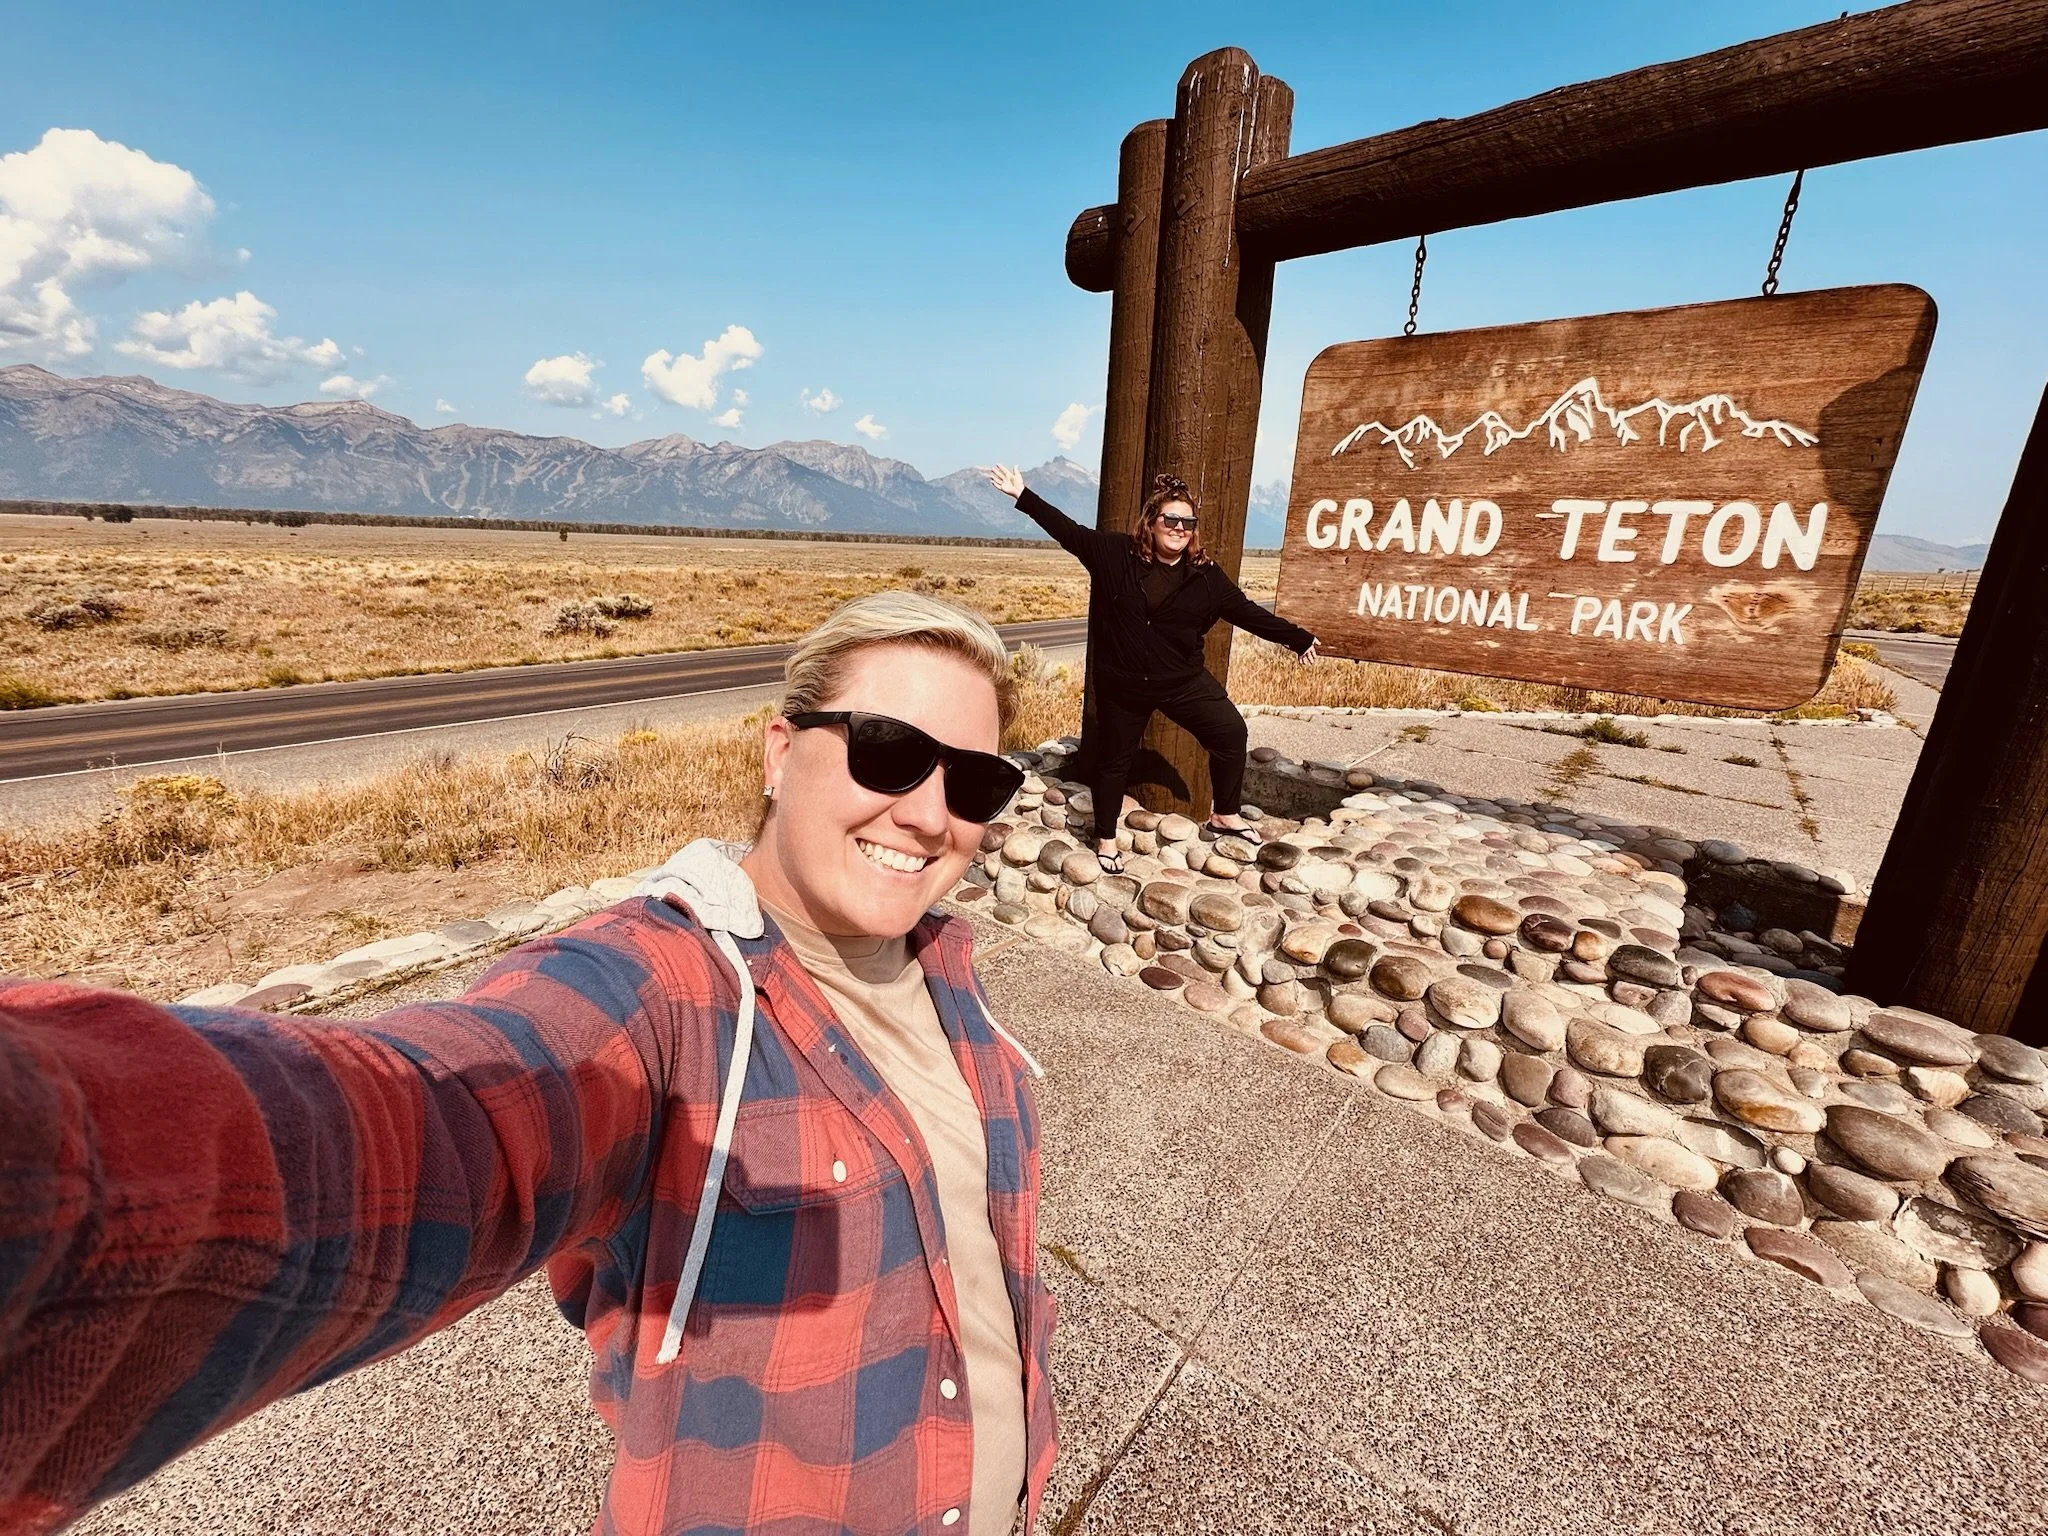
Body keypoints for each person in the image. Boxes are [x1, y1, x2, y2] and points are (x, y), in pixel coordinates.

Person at [0, 592, 1056, 1536]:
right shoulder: (659, 991)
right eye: (883, 751)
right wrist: (54, 1153)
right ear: (778, 754)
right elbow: (453, 1113)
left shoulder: (945, 974)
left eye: (972, 780)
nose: (927, 813)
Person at [985, 465, 1318, 872]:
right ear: (1152, 522)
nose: (1179, 528)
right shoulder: (1114, 555)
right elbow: (1068, 531)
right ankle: (1105, 839)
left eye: (1187, 522)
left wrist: (1297, 638)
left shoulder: (1206, 576)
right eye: (1171, 519)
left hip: (1181, 681)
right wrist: (1023, 495)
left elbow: (1247, 612)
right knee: (1114, 762)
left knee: (1230, 731)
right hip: (1123, 685)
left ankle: (1225, 813)